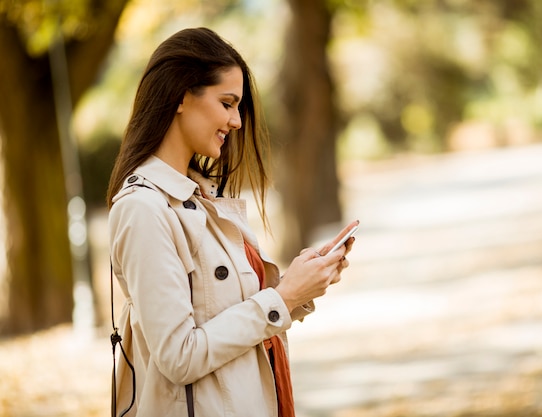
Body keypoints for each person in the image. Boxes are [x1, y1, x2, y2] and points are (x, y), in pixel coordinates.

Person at [106, 27, 356, 417]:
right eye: (227, 103)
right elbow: (179, 356)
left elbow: (229, 313)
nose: (237, 121)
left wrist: (300, 284)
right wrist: (283, 298)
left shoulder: (201, 198)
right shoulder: (143, 208)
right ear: (182, 96)